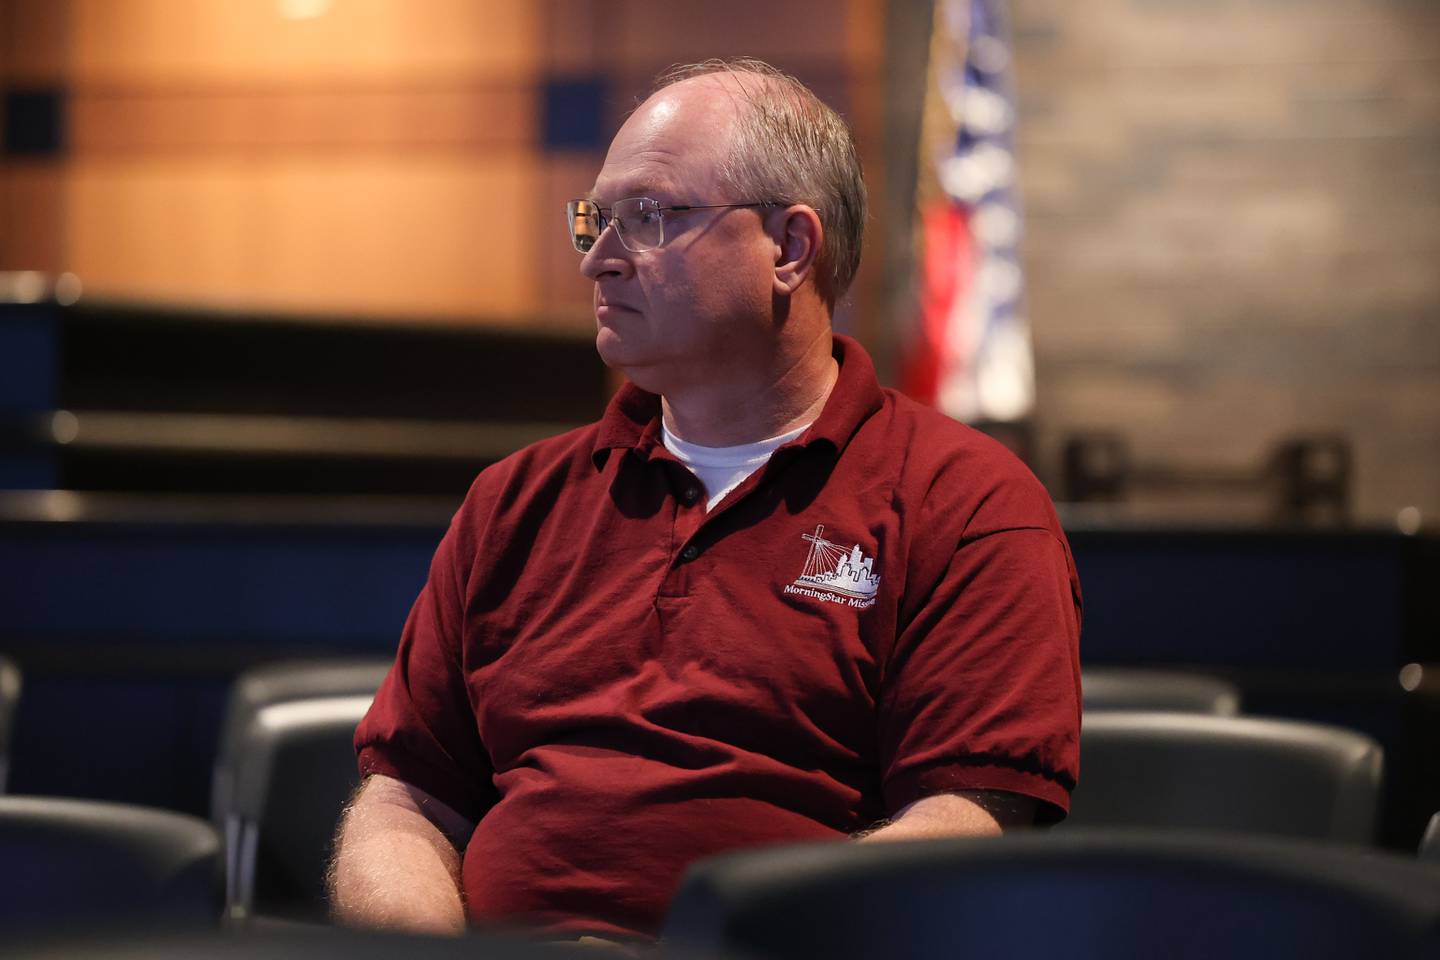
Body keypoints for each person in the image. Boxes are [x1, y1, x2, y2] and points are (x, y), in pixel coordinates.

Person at [329, 57, 1081, 943]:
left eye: (646, 218)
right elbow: (404, 803)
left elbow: (962, 827)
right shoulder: (515, 501)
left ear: (790, 249)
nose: (599, 262)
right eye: (594, 221)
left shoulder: (966, 502)